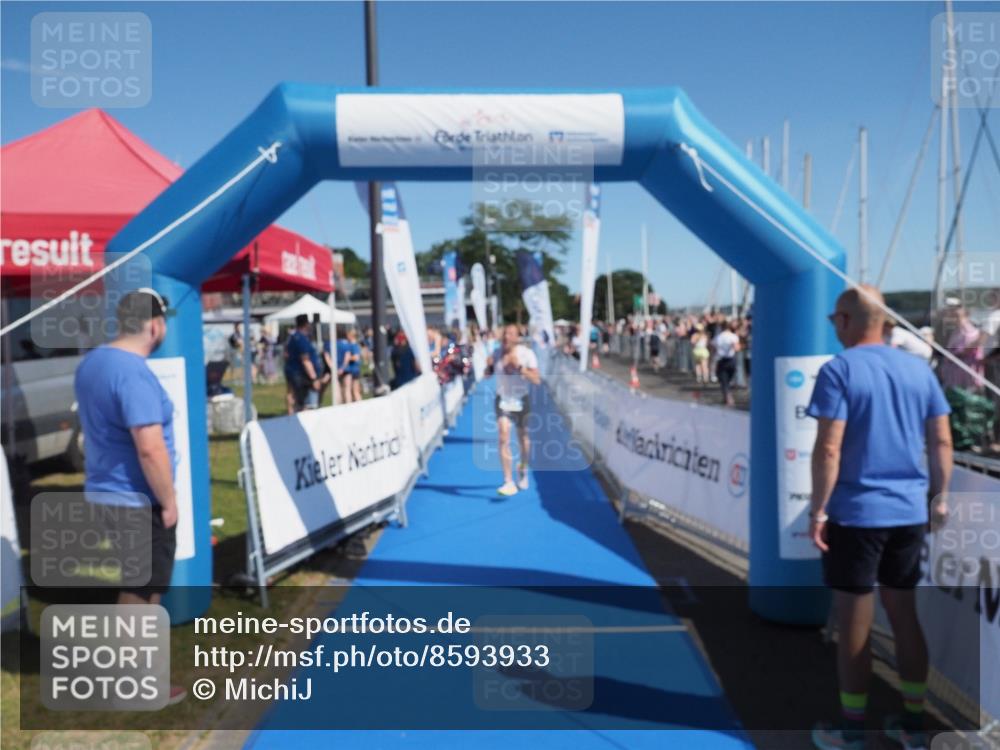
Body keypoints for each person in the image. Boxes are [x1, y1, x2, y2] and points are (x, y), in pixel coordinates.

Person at [807, 286, 952, 750]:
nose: (833, 327)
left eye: (834, 319)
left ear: (847, 321)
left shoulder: (839, 370)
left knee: (854, 618)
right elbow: (941, 443)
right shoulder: (918, 370)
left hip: (857, 513)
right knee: (904, 613)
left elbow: (829, 448)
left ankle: (852, 729)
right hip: (909, 511)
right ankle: (913, 723)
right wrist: (939, 496)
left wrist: (817, 509)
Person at [73, 288, 185, 703]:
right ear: (155, 326)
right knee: (142, 592)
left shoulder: (93, 363)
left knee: (137, 585)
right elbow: (149, 446)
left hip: (106, 490)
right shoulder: (133, 372)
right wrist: (169, 501)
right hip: (136, 497)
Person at [489, 324, 541, 496]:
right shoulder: (496, 353)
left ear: (517, 337)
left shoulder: (526, 354)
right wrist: (487, 367)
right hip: (502, 399)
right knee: (503, 436)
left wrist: (519, 368)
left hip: (520, 400)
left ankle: (523, 467)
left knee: (523, 438)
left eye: (510, 334)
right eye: (504, 333)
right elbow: (487, 374)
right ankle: (508, 481)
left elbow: (536, 380)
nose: (506, 336)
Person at [283, 314, 322, 413]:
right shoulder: (301, 339)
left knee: (292, 395)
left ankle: (291, 415)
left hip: (292, 370)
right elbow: (305, 360)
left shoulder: (292, 337)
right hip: (300, 374)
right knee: (304, 402)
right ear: (306, 324)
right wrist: (314, 378)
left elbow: (286, 354)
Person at [712, 320, 741, 406]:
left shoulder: (718, 337)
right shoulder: (733, 336)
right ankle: (727, 397)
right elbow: (737, 348)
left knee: (724, 381)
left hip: (722, 360)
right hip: (731, 359)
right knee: (727, 380)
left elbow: (713, 347)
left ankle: (728, 398)